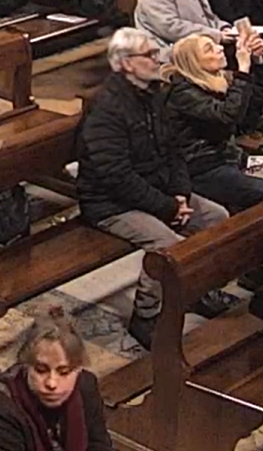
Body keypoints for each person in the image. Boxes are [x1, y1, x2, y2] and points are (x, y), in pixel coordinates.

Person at [76, 28, 233, 349]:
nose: (157, 59)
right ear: (126, 63)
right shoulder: (106, 109)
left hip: (158, 192)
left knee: (217, 217)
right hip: (111, 204)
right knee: (167, 244)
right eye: (148, 55)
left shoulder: (154, 96)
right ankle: (146, 315)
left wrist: (181, 193)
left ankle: (197, 291)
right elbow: (115, 175)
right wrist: (167, 207)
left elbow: (174, 150)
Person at [0, 308, 133, 451]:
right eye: (41, 370)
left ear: (78, 369)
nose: (52, 383)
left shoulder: (84, 388)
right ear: (25, 365)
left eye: (64, 372)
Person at [162, 32, 263, 211]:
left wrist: (257, 62)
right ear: (194, 63)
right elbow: (227, 115)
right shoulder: (181, 92)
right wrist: (243, 70)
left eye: (216, 44)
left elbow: (250, 114)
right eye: (209, 49)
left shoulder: (218, 81)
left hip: (230, 156)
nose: (220, 48)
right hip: (203, 168)